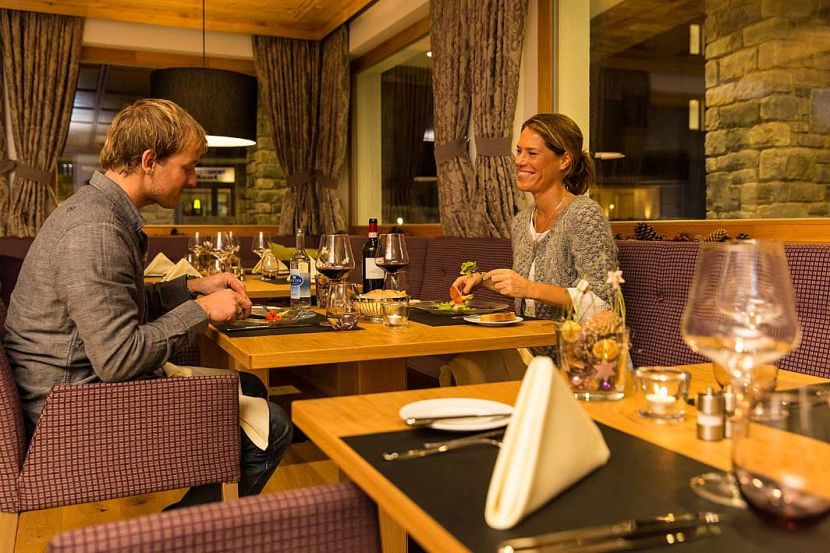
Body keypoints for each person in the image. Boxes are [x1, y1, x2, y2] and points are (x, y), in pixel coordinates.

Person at [3, 98, 291, 507]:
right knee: (273, 426)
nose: (193, 180)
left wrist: (191, 288)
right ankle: (179, 532)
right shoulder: (97, 230)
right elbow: (118, 359)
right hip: (67, 414)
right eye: (187, 167)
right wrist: (202, 311)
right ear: (150, 161)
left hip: (68, 389)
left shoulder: (97, 211)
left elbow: (120, 304)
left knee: (251, 387)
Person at [453, 113, 618, 360]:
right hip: (529, 347)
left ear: (564, 160)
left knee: (471, 366)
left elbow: (602, 301)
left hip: (578, 358)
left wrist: (529, 288)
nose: (520, 161)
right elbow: (528, 289)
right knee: (464, 362)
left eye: (532, 153)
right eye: (519, 151)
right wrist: (483, 280)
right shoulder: (522, 221)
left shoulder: (584, 214)